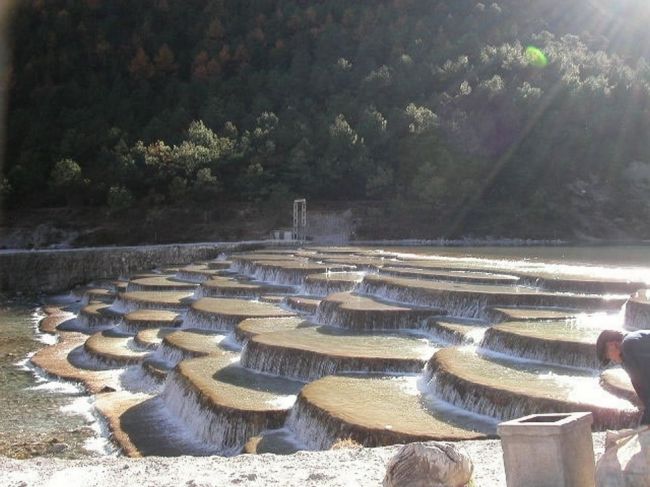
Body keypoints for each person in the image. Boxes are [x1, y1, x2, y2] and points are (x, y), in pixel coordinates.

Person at [597, 329, 650, 425]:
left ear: (611, 345)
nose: (612, 360)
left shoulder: (628, 345)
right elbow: (639, 384)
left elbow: (646, 382)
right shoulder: (629, 346)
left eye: (608, 356)